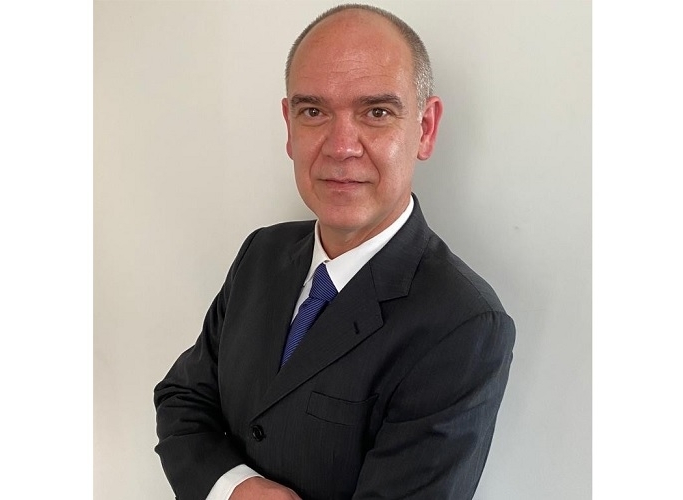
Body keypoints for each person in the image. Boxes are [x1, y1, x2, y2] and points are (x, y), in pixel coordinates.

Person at [154, 4, 515, 500]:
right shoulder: (261, 253)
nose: (341, 146)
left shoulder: (463, 324)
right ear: (289, 126)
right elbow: (181, 400)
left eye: (376, 112)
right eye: (314, 112)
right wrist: (235, 488)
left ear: (426, 128)